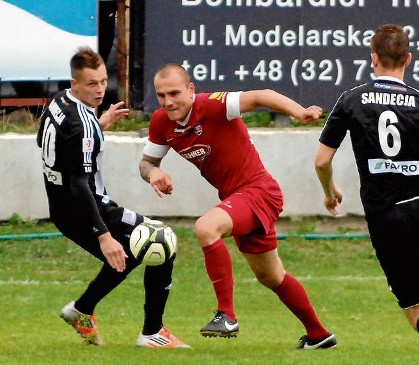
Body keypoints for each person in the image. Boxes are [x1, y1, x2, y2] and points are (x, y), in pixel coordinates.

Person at [139, 63, 336, 349]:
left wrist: (299, 112)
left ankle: (226, 315)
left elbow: (261, 95)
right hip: (238, 199)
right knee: (271, 276)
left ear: (191, 90)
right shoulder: (161, 122)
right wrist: (153, 173)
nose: (168, 102)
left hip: (259, 191)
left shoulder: (214, 105)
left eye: (174, 93)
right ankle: (319, 336)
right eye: (161, 95)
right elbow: (146, 163)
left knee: (206, 228)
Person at [37, 47, 189, 348]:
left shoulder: (59, 103)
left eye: (104, 81)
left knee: (133, 252)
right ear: (75, 83)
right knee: (162, 240)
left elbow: (59, 144)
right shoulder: (82, 125)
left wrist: (100, 124)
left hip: (63, 207)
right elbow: (80, 184)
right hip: (86, 207)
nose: (101, 89)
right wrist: (104, 235)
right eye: (92, 83)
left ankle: (82, 310)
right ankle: (152, 332)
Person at [314, 24, 419, 341]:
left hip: (387, 215)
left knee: (416, 306)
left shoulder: (352, 100)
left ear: (372, 58)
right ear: (409, 59)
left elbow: (322, 160)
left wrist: (329, 192)